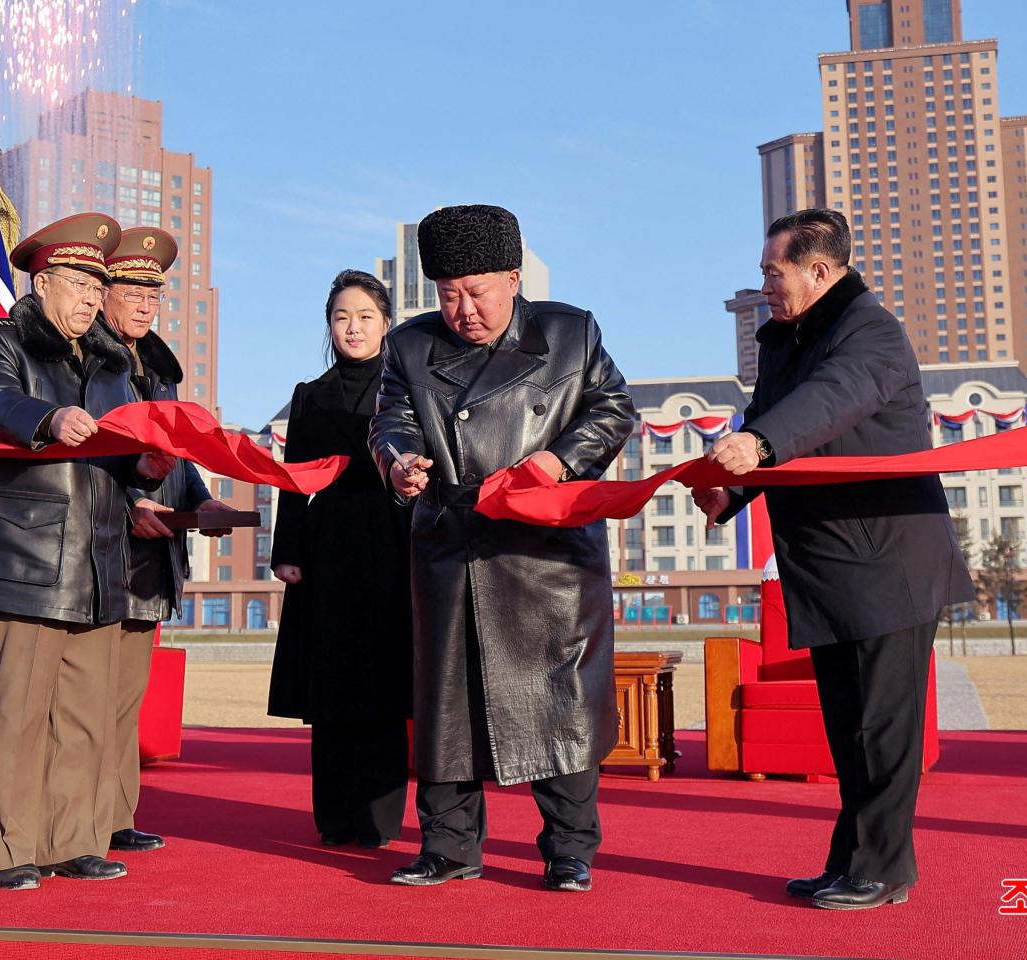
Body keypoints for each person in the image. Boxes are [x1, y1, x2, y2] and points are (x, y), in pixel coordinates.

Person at [694, 207, 975, 911]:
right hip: (828, 564)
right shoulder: (786, 341)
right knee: (849, 730)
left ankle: (885, 870)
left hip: (888, 562)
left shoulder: (870, 332)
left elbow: (830, 402)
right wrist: (732, 492)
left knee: (884, 728)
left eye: (773, 272)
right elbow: (772, 421)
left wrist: (759, 446)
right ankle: (850, 863)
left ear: (819, 271)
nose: (764, 285)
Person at [370, 204, 636, 892]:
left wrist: (558, 462)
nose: (464, 310)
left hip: (546, 550)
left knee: (560, 701)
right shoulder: (409, 346)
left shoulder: (570, 332)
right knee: (446, 705)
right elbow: (392, 420)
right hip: (451, 543)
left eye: (478, 292)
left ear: (513, 280)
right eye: (448, 295)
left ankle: (569, 849)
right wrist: (399, 462)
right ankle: (448, 846)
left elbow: (613, 408)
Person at [0, 212, 175, 891]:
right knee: (20, 714)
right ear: (43, 282)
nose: (90, 298)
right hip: (28, 560)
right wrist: (47, 419)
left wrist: (145, 467)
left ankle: (73, 840)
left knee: (83, 715)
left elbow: (119, 453)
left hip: (100, 561)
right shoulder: (0, 340)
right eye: (79, 283)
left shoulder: (111, 365)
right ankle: (8, 848)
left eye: (97, 286)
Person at [93, 225, 234, 855]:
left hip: (151, 558)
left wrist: (202, 503)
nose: (147, 305)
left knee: (124, 702)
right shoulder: (89, 365)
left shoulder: (157, 372)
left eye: (154, 294)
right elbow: (84, 460)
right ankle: (78, 820)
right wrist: (129, 503)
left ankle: (114, 816)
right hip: (101, 551)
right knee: (87, 701)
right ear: (102, 293)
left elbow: (173, 461)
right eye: (133, 291)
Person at [267, 269, 412, 849]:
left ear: (386, 324)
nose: (353, 328)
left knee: (384, 683)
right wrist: (287, 549)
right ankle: (334, 816)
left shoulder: (407, 388)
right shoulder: (311, 394)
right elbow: (293, 478)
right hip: (326, 547)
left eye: (365, 317)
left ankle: (378, 819)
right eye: (342, 317)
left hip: (393, 540)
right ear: (329, 326)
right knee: (330, 684)